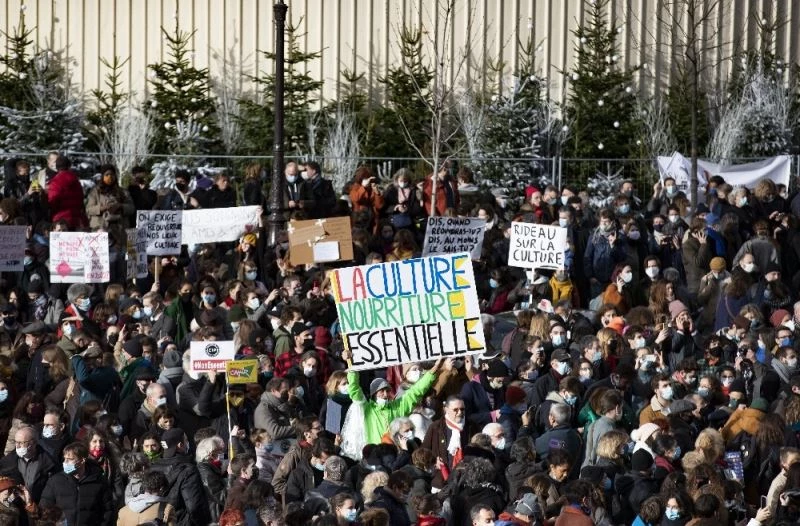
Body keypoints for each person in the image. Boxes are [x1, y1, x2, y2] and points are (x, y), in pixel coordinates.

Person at [39, 441, 114, 526]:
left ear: (82, 460)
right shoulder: (55, 481)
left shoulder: (99, 481)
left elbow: (108, 511)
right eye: (64, 459)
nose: (65, 463)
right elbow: (45, 508)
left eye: (69, 459)